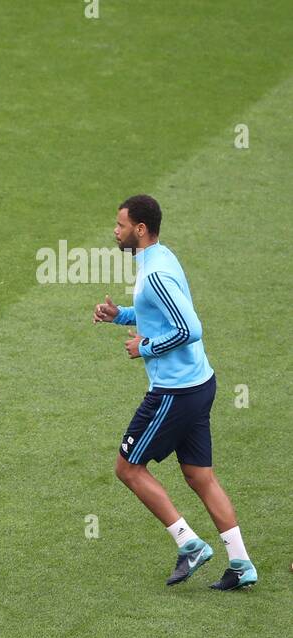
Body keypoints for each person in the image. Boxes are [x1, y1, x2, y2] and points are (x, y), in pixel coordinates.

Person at [93, 194, 256, 589]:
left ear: (140, 229)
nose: (115, 231)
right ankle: (241, 564)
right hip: (200, 384)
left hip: (175, 392)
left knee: (128, 467)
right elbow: (159, 314)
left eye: (120, 226)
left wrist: (143, 348)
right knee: (199, 475)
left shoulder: (155, 274)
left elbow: (189, 328)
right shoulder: (160, 258)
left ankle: (190, 545)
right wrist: (122, 317)